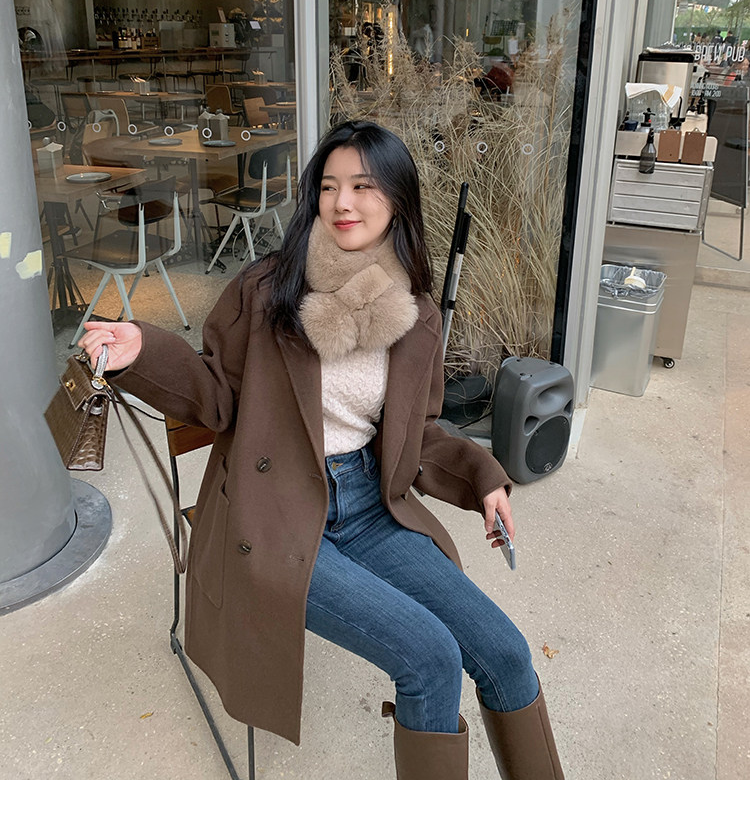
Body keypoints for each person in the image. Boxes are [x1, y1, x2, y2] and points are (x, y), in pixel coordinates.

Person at [79, 120, 564, 781]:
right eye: (329, 186)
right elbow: (216, 396)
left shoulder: (415, 312)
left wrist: (483, 475)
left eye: (363, 186)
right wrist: (146, 348)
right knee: (430, 658)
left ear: (397, 199)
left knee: (506, 652)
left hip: (368, 506)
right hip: (276, 512)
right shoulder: (267, 291)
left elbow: (417, 432)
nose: (343, 202)